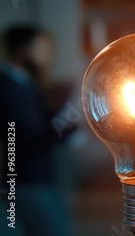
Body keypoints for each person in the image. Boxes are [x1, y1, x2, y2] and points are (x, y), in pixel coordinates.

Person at [0, 25, 74, 235]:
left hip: (35, 178)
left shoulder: (25, 85)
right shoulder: (8, 88)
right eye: (42, 48)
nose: (48, 55)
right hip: (26, 180)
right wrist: (70, 122)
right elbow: (33, 137)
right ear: (24, 50)